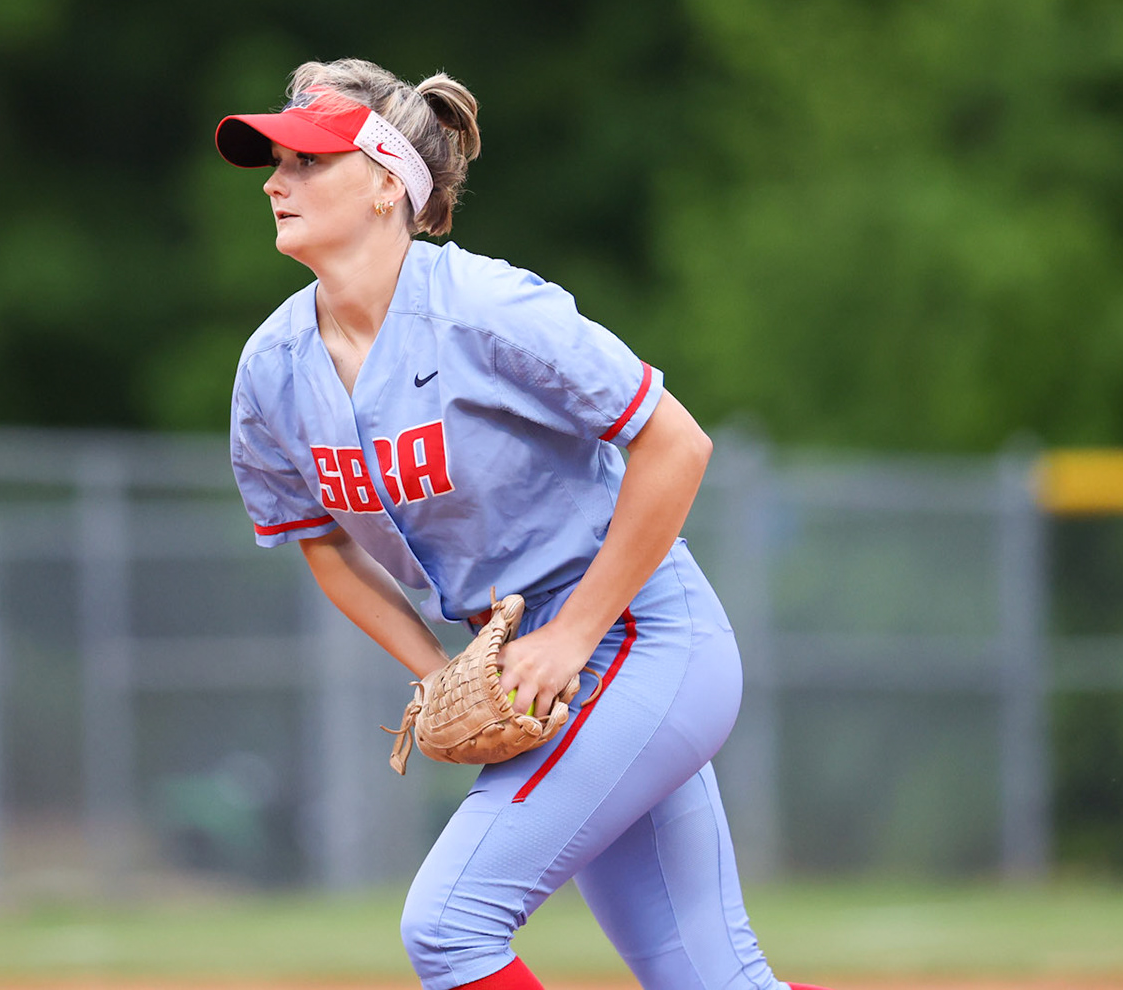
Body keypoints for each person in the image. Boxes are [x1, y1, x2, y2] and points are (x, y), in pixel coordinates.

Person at [219, 59, 810, 990]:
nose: (276, 180)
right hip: (528, 667)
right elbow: (321, 545)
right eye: (274, 161)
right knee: (712, 982)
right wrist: (438, 671)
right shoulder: (273, 370)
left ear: (385, 184)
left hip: (641, 636)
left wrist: (571, 636)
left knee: (450, 927)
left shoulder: (487, 309)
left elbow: (677, 446)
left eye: (307, 160)